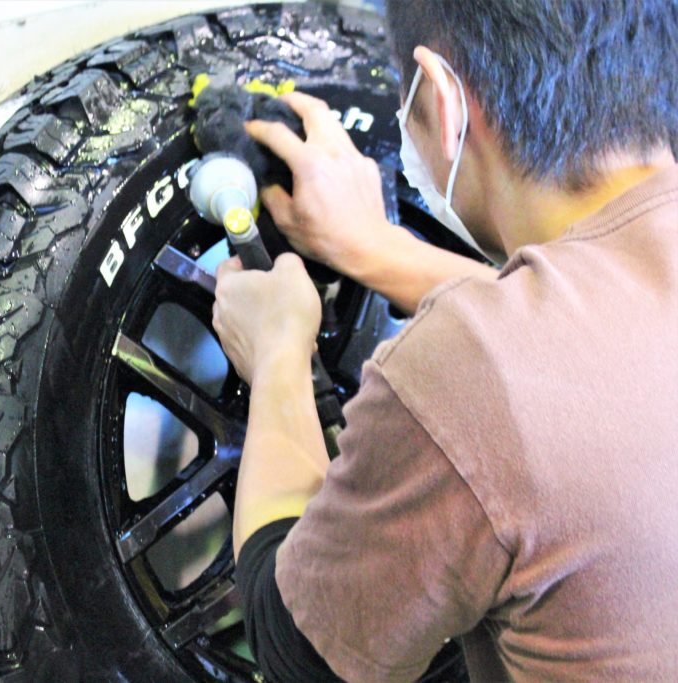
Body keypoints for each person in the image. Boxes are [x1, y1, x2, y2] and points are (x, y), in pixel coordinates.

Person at [214, 1, 678, 680]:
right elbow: (608, 339)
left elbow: (300, 656)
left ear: (442, 98)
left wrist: (278, 355)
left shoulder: (470, 371)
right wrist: (375, 249)